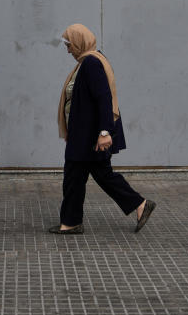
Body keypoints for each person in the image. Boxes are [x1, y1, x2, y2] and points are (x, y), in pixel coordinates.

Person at [49, 23, 156, 235]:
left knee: (90, 175)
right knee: (79, 177)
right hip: (83, 134)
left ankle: (139, 204)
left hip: (90, 135)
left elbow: (104, 99)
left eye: (70, 44)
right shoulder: (87, 61)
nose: (68, 49)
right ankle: (71, 221)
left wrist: (105, 132)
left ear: (80, 42)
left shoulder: (91, 63)